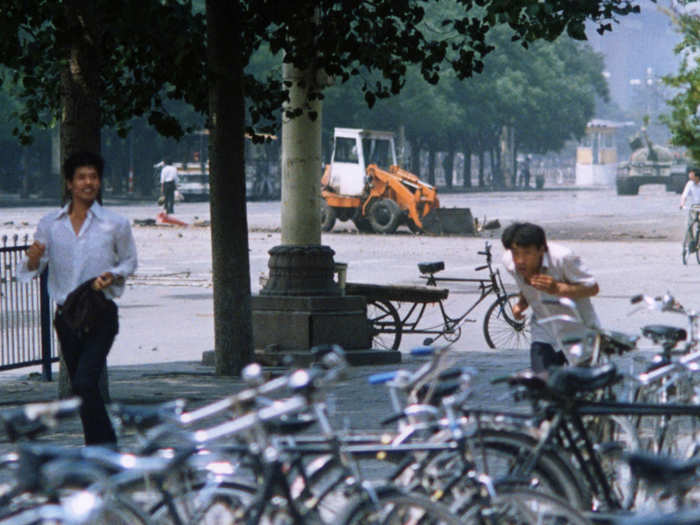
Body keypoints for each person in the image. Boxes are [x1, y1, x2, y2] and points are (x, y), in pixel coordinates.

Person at [18, 151, 138, 445]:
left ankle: (106, 446)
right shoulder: (50, 224)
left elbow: (129, 261)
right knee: (82, 388)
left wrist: (114, 275)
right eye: (82, 177)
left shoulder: (115, 223)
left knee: (85, 381)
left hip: (101, 313)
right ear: (69, 183)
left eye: (93, 177)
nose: (88, 183)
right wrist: (32, 259)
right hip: (66, 317)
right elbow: (32, 268)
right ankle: (97, 447)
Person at [501, 222, 600, 373]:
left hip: (578, 330)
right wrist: (521, 303)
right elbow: (524, 287)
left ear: (542, 249)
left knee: (583, 388)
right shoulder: (509, 262)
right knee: (543, 384)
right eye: (516, 253)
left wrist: (558, 288)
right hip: (544, 331)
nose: (520, 260)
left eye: (527, 253)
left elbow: (593, 288)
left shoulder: (563, 258)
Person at [680, 169, 700, 249]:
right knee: (689, 224)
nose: (690, 178)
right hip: (694, 207)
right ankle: (691, 242)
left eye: (692, 176)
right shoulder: (690, 184)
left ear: (697, 177)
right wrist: (682, 204)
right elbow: (684, 195)